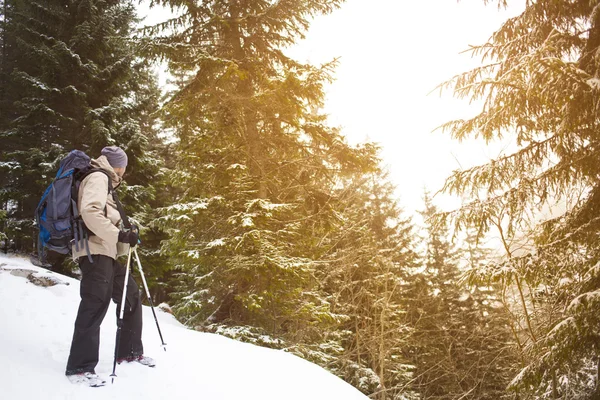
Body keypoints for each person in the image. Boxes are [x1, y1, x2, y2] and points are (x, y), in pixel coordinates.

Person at [65, 146, 154, 386]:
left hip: (107, 251)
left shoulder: (105, 182)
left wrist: (127, 231)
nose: (124, 172)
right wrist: (120, 235)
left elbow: (105, 214)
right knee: (95, 303)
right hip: (94, 249)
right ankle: (80, 368)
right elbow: (90, 211)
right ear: (118, 165)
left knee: (130, 295)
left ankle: (130, 351)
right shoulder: (97, 177)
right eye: (124, 166)